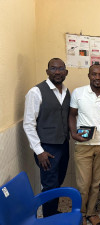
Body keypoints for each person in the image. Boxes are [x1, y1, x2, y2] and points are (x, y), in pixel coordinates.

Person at [69, 63, 100, 225]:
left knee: (96, 183)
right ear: (89, 75)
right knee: (84, 184)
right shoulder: (79, 93)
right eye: (94, 74)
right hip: (83, 146)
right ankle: (81, 214)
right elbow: (72, 115)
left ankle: (91, 213)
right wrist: (74, 134)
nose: (97, 77)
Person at [23, 58, 70, 217]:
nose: (57, 72)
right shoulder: (36, 92)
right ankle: (49, 218)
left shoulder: (66, 91)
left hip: (63, 145)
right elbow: (28, 124)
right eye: (53, 68)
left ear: (66, 72)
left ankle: (52, 212)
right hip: (47, 148)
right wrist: (39, 151)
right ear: (47, 71)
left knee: (58, 182)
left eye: (61, 68)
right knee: (49, 185)